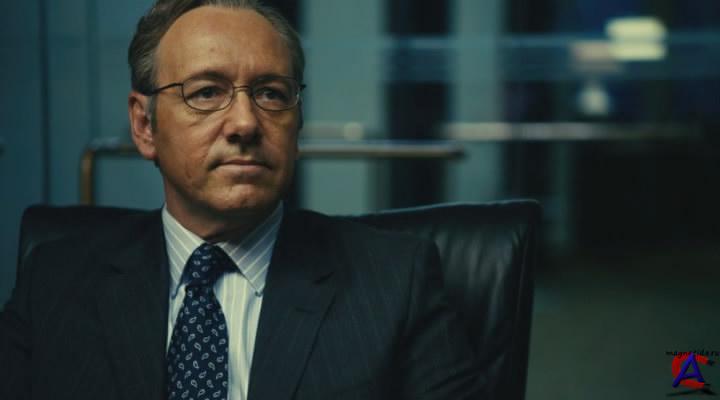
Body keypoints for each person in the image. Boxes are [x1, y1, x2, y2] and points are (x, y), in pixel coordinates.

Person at [0, 1, 484, 399]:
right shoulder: (56, 281)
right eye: (206, 93)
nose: (246, 123)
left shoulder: (396, 283)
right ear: (145, 126)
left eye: (271, 93)